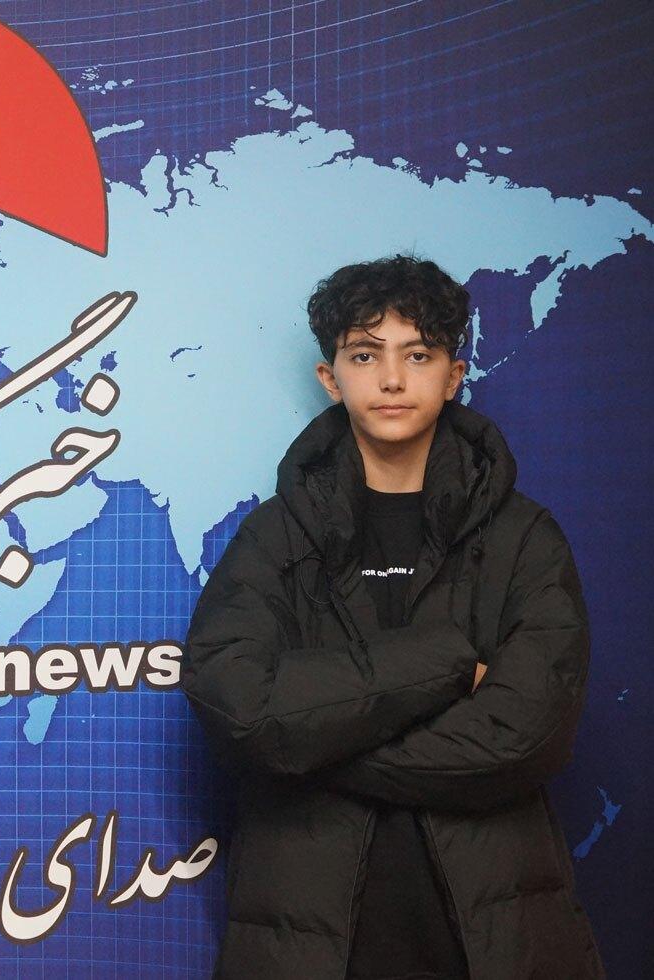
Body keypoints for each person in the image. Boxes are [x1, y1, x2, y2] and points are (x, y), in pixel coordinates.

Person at [181, 255, 604, 979]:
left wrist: (316, 744)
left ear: (453, 374)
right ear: (330, 378)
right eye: (364, 355)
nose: (390, 379)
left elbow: (523, 735)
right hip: (307, 939)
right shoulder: (274, 538)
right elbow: (241, 708)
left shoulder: (523, 539)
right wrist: (447, 663)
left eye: (418, 354)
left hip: (496, 937)